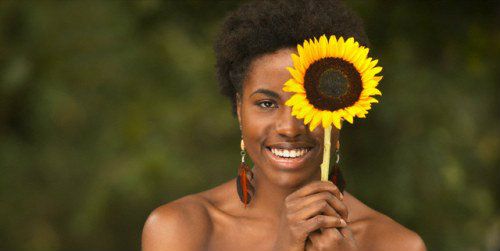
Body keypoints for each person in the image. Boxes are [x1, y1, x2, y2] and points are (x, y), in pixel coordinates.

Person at [142, 0, 427, 250]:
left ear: (342, 107)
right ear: (239, 109)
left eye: (310, 103)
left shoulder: (396, 244)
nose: (290, 128)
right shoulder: (179, 229)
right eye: (267, 104)